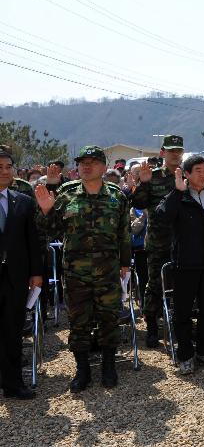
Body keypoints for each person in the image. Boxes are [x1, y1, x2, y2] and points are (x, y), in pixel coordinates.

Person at [35, 145, 130, 392]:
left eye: (92, 162)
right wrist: (46, 210)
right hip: (76, 273)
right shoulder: (66, 193)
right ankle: (82, 369)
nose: (86, 166)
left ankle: (109, 366)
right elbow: (51, 230)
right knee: (78, 321)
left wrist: (124, 263)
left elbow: (124, 234)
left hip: (108, 271)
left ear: (103, 167)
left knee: (109, 318)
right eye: (82, 163)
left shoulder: (116, 196)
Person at [155, 155, 204, 376]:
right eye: (197, 170)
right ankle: (185, 355)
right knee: (183, 313)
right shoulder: (180, 198)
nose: (203, 173)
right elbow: (162, 217)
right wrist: (177, 192)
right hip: (185, 265)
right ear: (186, 174)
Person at [131, 134, 184, 349]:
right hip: (158, 241)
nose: (174, 154)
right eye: (170, 150)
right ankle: (152, 328)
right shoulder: (151, 176)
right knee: (154, 285)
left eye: (178, 150)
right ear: (162, 152)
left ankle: (180, 324)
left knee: (182, 284)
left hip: (181, 241)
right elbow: (138, 203)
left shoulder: (187, 175)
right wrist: (142, 184)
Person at [0, 149, 42, 399]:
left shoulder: (23, 201)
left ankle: (13, 384)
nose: (4, 171)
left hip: (15, 277)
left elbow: (32, 241)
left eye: (8, 166)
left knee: (12, 331)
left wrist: (36, 273)